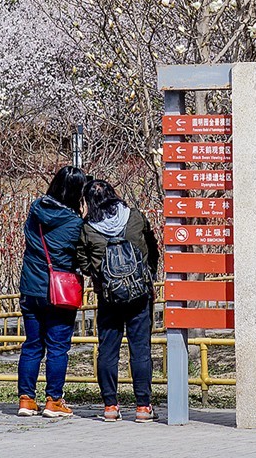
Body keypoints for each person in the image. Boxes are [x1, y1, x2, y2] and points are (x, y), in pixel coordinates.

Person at [77, 179, 159, 423]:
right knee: (140, 350)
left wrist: (98, 276)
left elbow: (82, 260)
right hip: (138, 295)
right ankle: (143, 407)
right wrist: (148, 274)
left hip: (109, 297)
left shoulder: (88, 228)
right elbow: (152, 247)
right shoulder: (134, 217)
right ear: (114, 195)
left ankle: (110, 406)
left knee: (108, 351)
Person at [17, 165, 85, 418]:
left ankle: (26, 400)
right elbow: (77, 254)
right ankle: (53, 401)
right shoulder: (74, 223)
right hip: (59, 292)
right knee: (57, 347)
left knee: (33, 345)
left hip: (31, 288)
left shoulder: (35, 210)